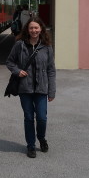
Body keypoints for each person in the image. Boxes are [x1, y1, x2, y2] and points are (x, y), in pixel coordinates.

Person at [6, 16, 56, 158]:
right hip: (25, 89)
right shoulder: (19, 45)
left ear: (41, 29)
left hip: (41, 89)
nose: (34, 30)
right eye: (31, 28)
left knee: (41, 118)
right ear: (27, 30)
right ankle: (31, 146)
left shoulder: (47, 47)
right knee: (28, 117)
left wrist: (51, 91)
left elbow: (51, 70)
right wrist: (17, 71)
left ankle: (41, 138)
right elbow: (9, 62)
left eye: (36, 27)